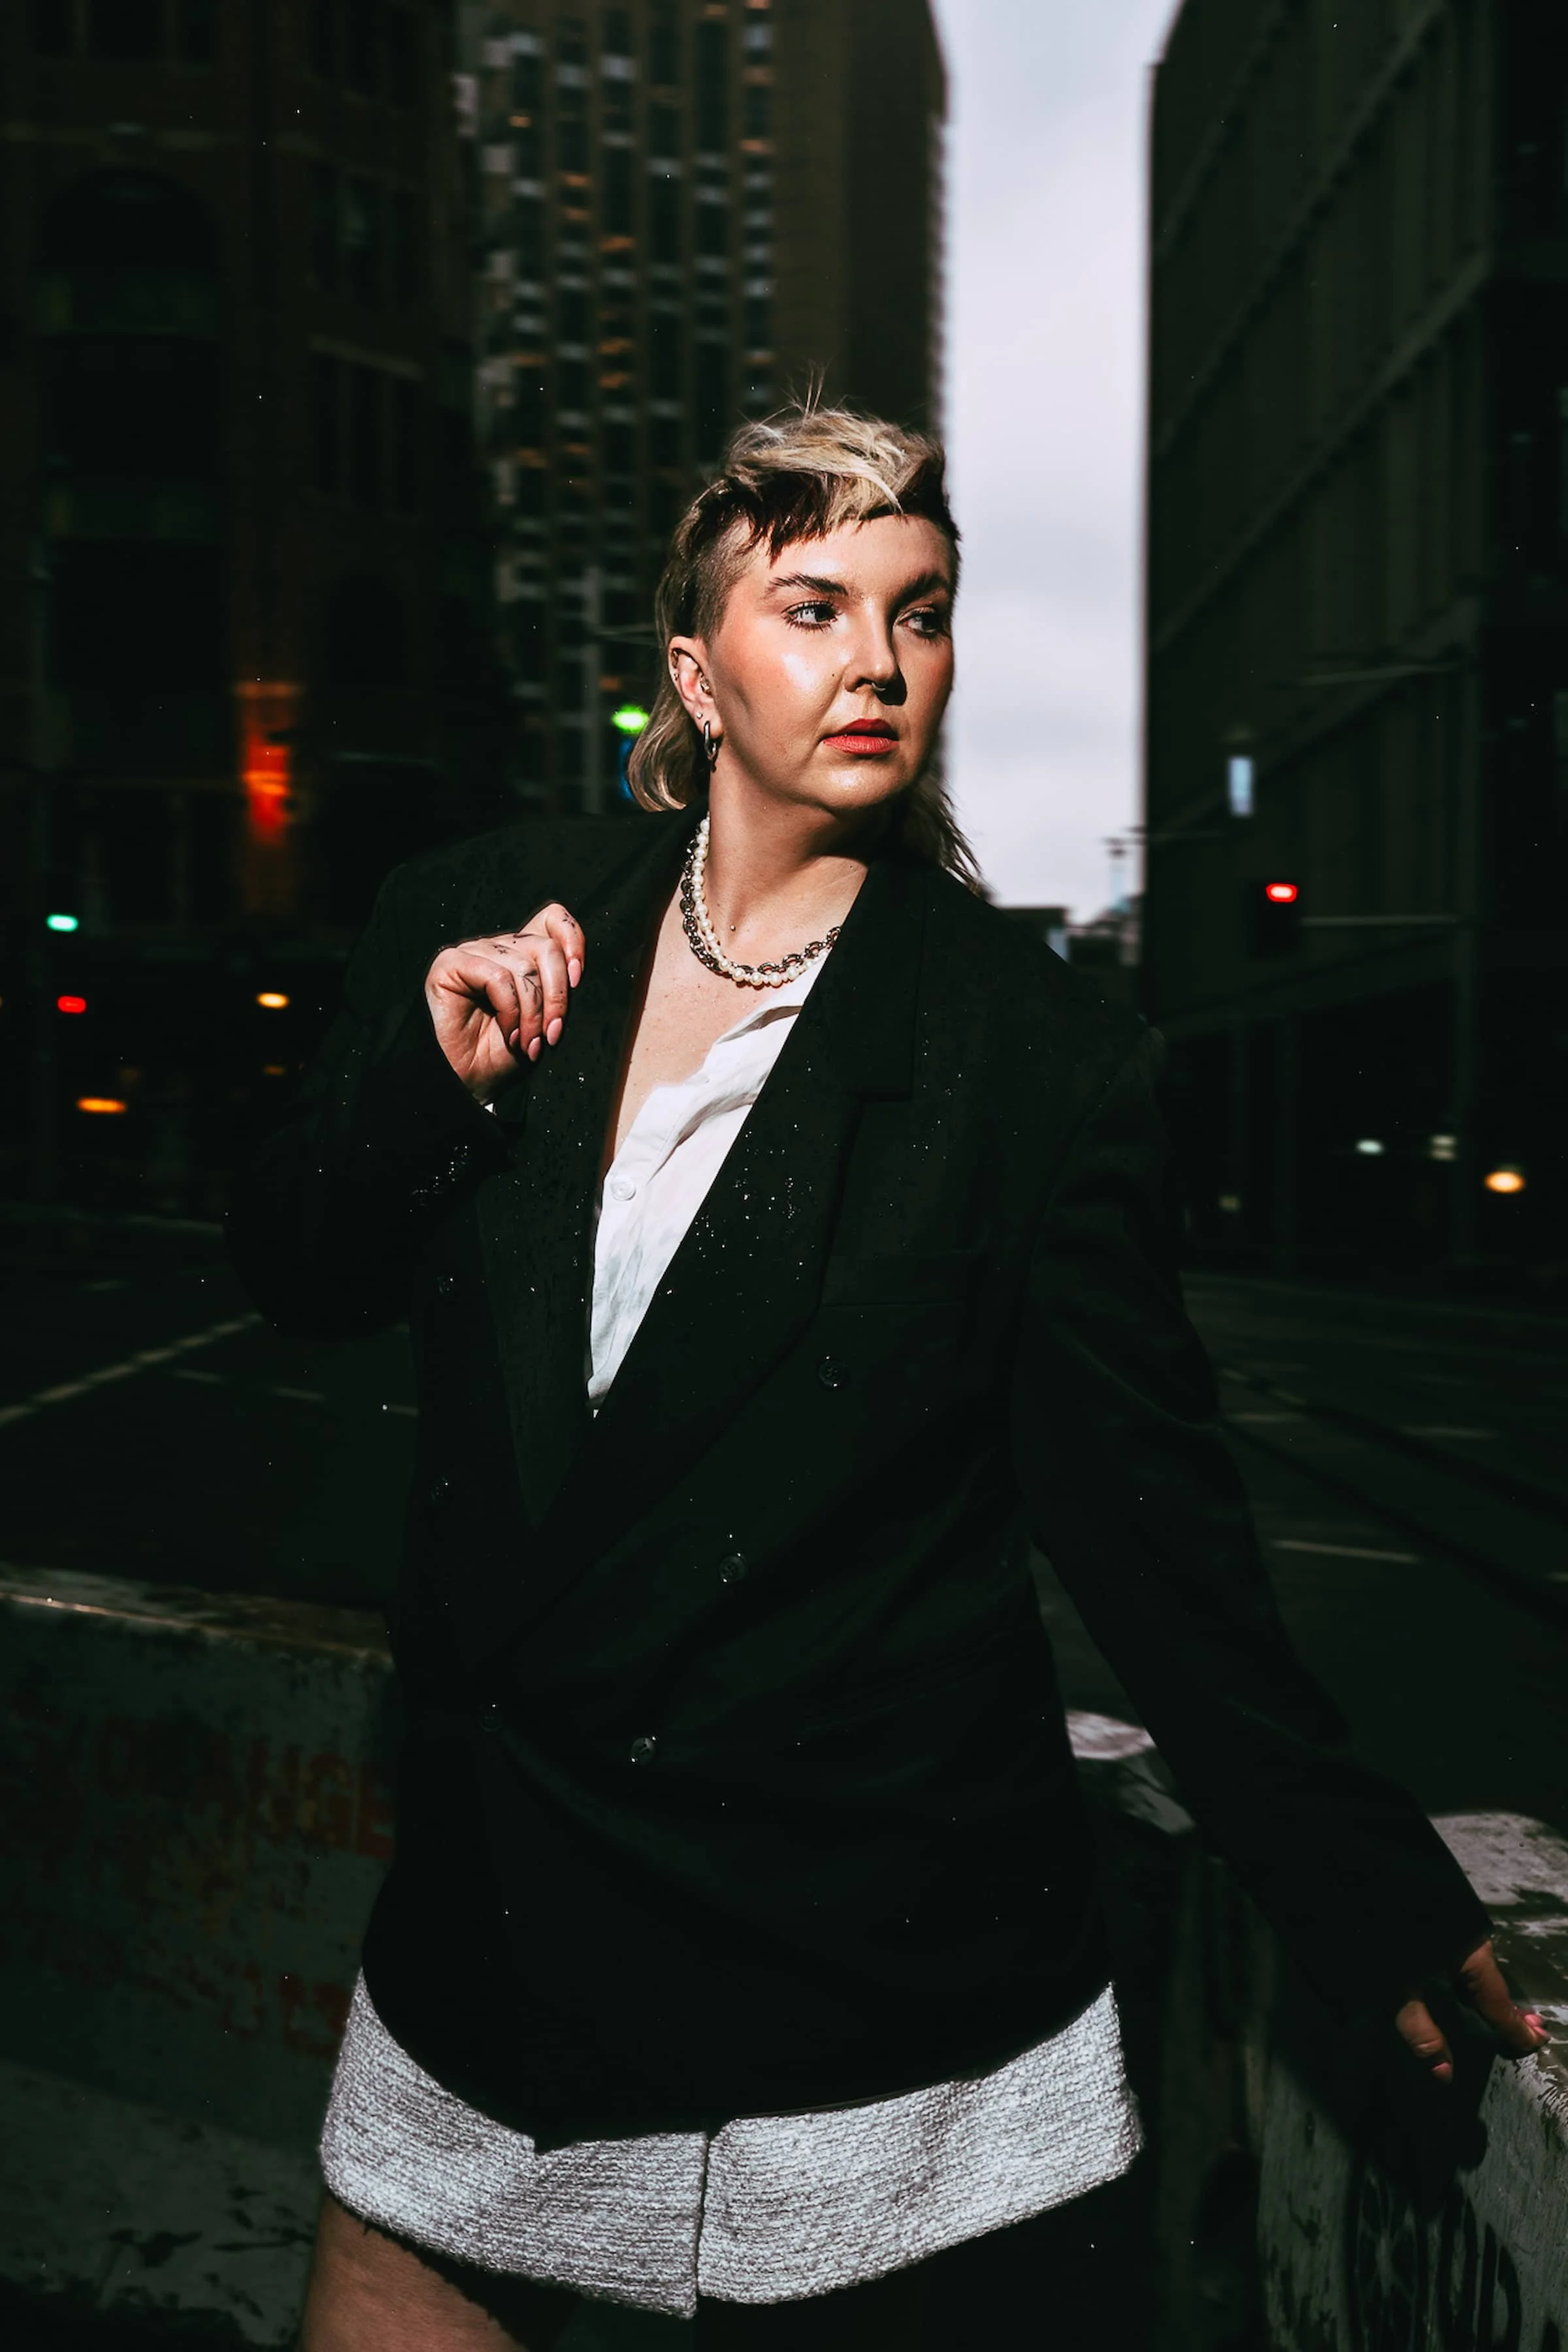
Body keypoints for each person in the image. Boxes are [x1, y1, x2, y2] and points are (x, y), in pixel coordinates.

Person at [225, 405, 1546, 2351]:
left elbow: (1159, 1548)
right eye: (815, 603)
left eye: (919, 615)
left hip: (864, 2016)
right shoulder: (489, 918)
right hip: (491, 1961)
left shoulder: (1030, 1060)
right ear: (697, 669)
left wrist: (1364, 1892)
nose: (876, 661)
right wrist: (436, 1086)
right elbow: (293, 1272)